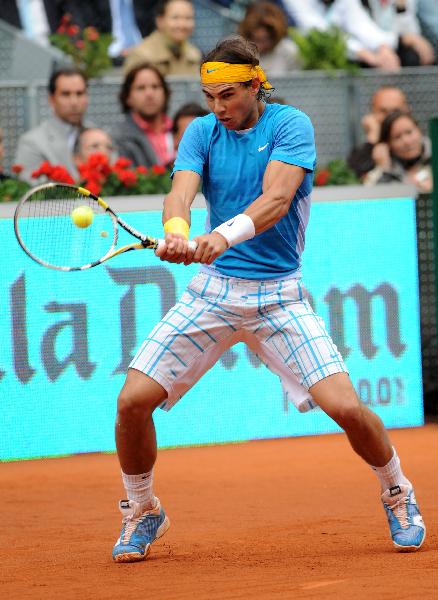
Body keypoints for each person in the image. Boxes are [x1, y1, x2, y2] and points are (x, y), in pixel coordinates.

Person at [111, 35, 426, 563]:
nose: (218, 107)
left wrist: (221, 236)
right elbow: (181, 189)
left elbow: (277, 199)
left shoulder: (290, 125)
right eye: (210, 96)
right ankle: (142, 509)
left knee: (347, 408)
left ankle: (397, 492)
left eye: (228, 94)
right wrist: (176, 228)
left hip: (278, 296)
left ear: (255, 84)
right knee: (131, 403)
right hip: (213, 293)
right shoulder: (201, 132)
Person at [14, 67, 89, 182]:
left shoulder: (99, 135)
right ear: (51, 99)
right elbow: (32, 191)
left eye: (79, 94)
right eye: (66, 94)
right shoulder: (32, 142)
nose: (74, 102)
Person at [282, 0, 403, 70]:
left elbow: (360, 23)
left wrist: (383, 47)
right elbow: (320, 33)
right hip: (308, 64)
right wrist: (365, 54)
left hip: (346, 57)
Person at [112, 63, 174, 168]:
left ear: (165, 93)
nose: (149, 93)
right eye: (141, 88)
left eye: (155, 86)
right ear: (128, 97)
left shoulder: (180, 129)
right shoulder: (118, 138)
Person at [122, 0, 202, 76]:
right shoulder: (141, 56)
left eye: (188, 18)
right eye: (175, 17)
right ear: (160, 21)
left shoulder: (195, 55)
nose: (182, 24)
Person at [347, 85, 410, 179]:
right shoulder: (369, 146)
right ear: (372, 112)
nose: (390, 116)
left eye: (395, 111)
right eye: (383, 111)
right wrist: (373, 137)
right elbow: (352, 175)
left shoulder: (416, 142)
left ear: (406, 110)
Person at [364, 110, 433, 192]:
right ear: (388, 144)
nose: (406, 141)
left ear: (419, 130)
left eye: (409, 132)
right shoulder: (381, 172)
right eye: (397, 137)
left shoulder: (434, 157)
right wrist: (385, 170)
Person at [361, 0, 435, 66]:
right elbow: (362, 30)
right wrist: (382, 46)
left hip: (394, 42)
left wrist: (401, 9)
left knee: (413, 55)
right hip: (370, 45)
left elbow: (409, 31)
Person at [238, 1, 300, 75]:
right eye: (255, 39)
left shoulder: (289, 51)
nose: (259, 46)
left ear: (275, 38)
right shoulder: (234, 50)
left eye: (264, 40)